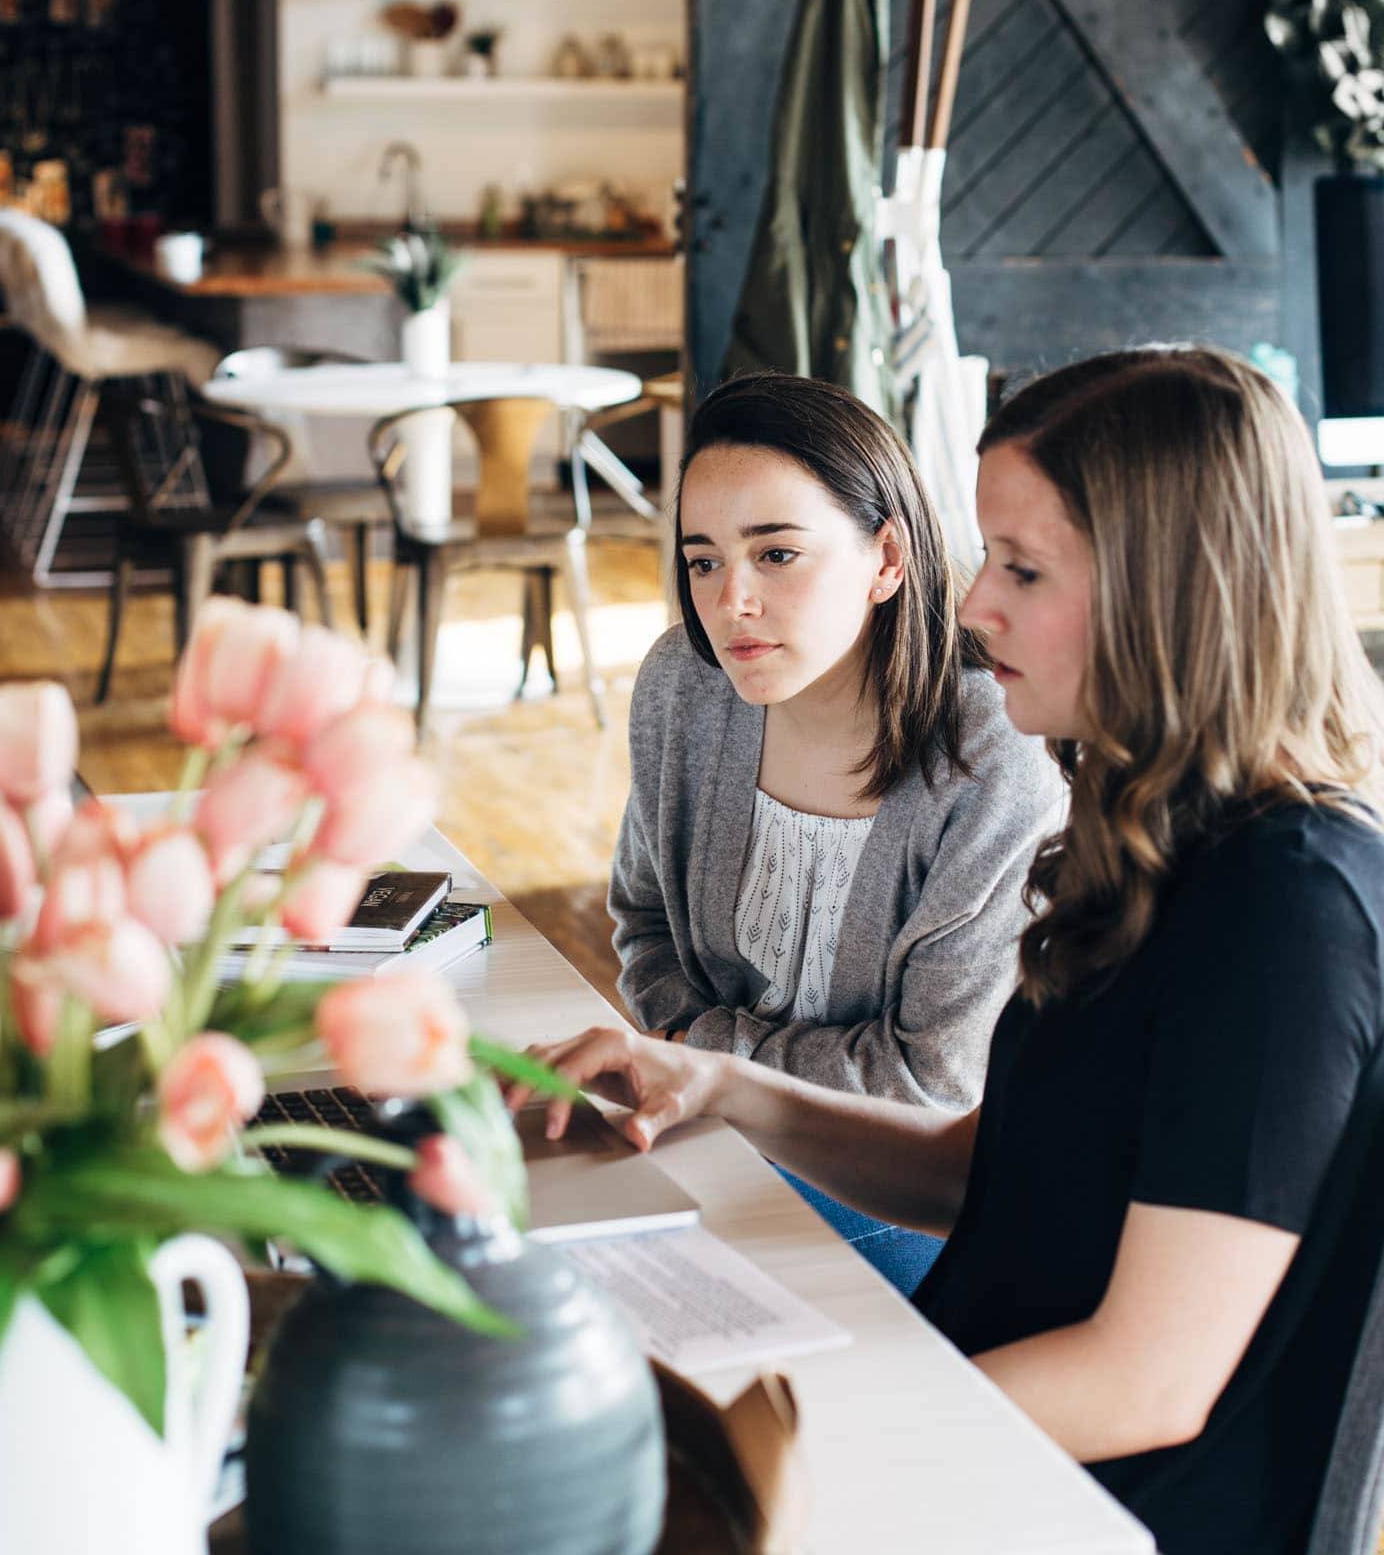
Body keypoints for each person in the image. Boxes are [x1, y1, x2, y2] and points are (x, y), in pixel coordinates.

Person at [523, 347, 1384, 1555]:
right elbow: (984, 1170)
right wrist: (721, 1086)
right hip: (975, 1427)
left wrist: (796, 1436)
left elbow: (1147, 1379)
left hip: (1079, 1507)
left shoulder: (1289, 906)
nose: (974, 606)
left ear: (1176, 588)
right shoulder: (1149, 825)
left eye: (1022, 569)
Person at [607, 371, 1064, 1292]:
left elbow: (931, 1084)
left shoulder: (995, 752)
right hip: (712, 1137)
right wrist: (707, 1082)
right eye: (702, 560)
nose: (729, 600)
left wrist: (704, 1064)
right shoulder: (684, 689)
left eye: (776, 555)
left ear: (887, 559)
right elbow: (644, 925)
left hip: (903, 1191)